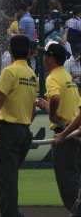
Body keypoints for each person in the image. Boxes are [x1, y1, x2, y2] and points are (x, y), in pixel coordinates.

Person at [0, 34, 38, 217]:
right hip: (24, 132)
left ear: (10, 50)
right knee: (5, 175)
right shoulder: (32, 75)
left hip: (10, 131)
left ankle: (12, 214)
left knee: (6, 178)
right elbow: (33, 109)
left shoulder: (9, 72)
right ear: (28, 52)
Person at [35, 42, 81, 211]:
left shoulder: (52, 77)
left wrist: (52, 114)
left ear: (51, 58)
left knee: (66, 178)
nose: (43, 58)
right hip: (75, 131)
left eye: (46, 55)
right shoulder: (67, 76)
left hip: (65, 133)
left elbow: (55, 98)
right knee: (76, 176)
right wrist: (48, 107)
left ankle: (76, 212)